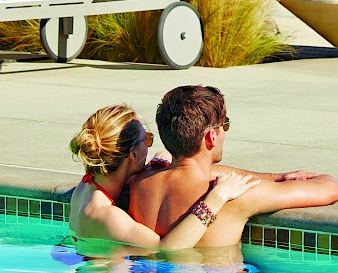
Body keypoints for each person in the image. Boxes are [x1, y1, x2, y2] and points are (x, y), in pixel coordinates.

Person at [128, 86, 338, 247]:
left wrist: (277, 177)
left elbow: (195, 171)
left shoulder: (141, 183)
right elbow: (330, 190)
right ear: (212, 136)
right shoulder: (237, 197)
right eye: (225, 125)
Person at [68, 104, 260, 250]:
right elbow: (166, 249)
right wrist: (216, 198)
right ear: (133, 154)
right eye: (147, 139)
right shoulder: (108, 216)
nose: (149, 146)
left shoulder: (88, 185)